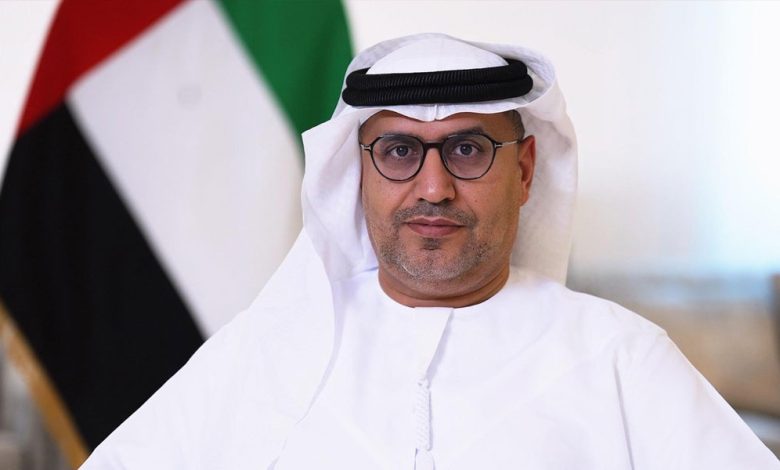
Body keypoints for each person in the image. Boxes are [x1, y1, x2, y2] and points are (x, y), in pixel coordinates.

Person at [80, 33, 779, 469]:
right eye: (398, 152)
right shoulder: (260, 351)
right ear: (356, 173)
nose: (434, 188)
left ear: (525, 170)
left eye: (468, 150)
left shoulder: (621, 358)